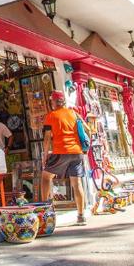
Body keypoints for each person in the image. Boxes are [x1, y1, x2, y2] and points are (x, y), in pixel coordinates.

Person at [40, 91, 88, 225]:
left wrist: (45, 155)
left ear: (54, 102)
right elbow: (87, 128)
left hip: (61, 151)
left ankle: (45, 211)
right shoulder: (74, 113)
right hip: (77, 152)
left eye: (51, 102)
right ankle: (81, 216)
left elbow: (47, 137)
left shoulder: (51, 116)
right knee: (76, 183)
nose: (51, 104)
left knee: (45, 177)